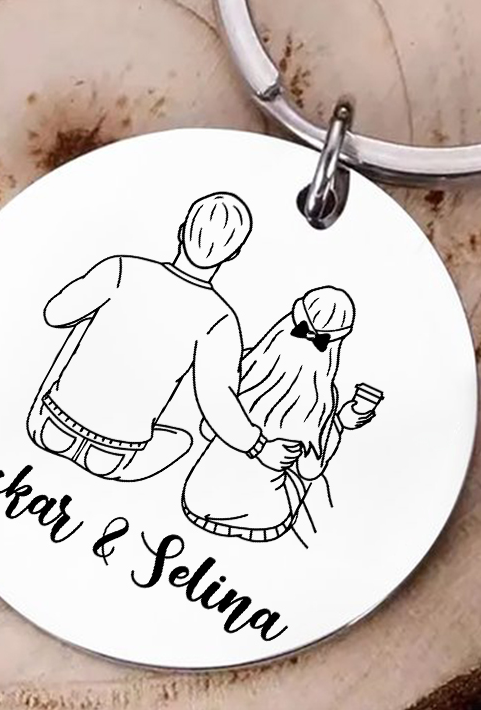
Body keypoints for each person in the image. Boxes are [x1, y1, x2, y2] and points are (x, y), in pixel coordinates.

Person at [26, 192, 302, 481]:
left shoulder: (120, 268)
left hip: (48, 426)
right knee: (181, 440)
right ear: (233, 254)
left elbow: (55, 314)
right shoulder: (221, 320)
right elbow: (216, 400)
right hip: (113, 456)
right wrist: (260, 447)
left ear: (182, 231)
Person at [182, 285, 374, 543]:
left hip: (198, 500)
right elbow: (310, 470)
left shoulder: (245, 364)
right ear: (335, 345)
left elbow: (206, 429)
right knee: (303, 489)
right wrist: (340, 423)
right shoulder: (324, 400)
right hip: (262, 518)